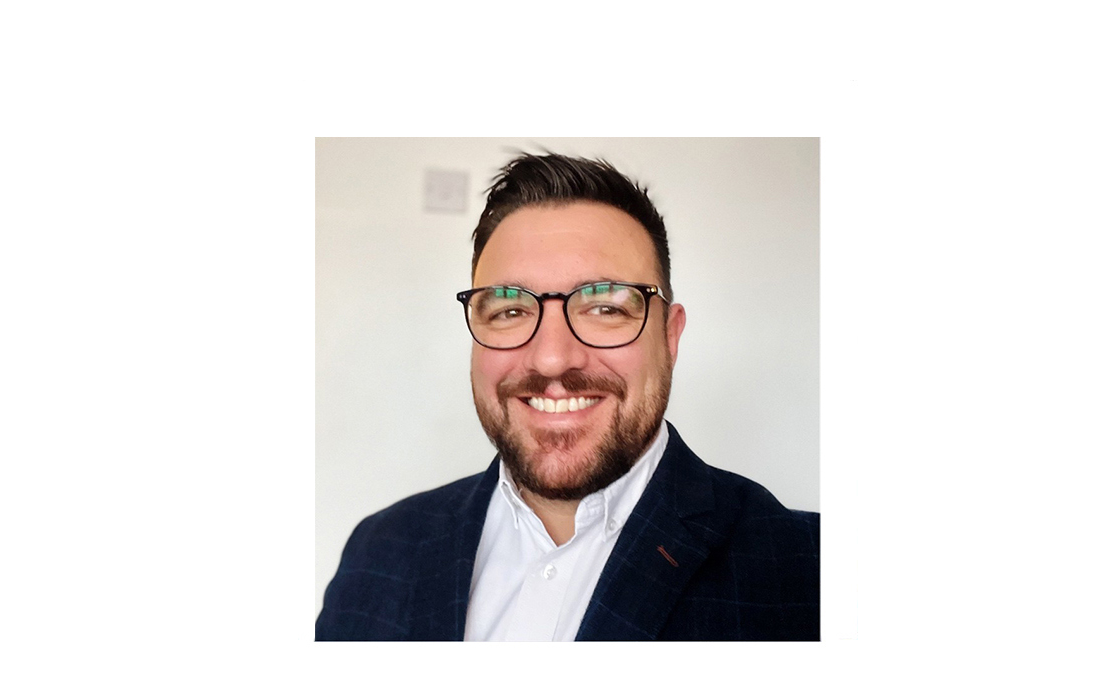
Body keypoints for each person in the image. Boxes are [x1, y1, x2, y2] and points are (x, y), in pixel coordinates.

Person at [316, 152, 819, 641]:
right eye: (509, 310)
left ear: (669, 337)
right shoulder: (378, 552)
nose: (552, 359)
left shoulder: (809, 574)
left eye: (605, 307)